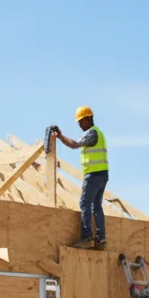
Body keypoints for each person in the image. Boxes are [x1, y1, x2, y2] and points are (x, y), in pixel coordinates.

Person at [51, 107, 109, 249]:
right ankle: (101, 239)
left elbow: (74, 144)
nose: (79, 124)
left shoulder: (92, 133)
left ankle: (87, 237)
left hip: (94, 175)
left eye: (81, 121)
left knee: (84, 203)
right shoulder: (98, 133)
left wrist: (60, 136)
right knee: (96, 206)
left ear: (89, 119)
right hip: (102, 174)